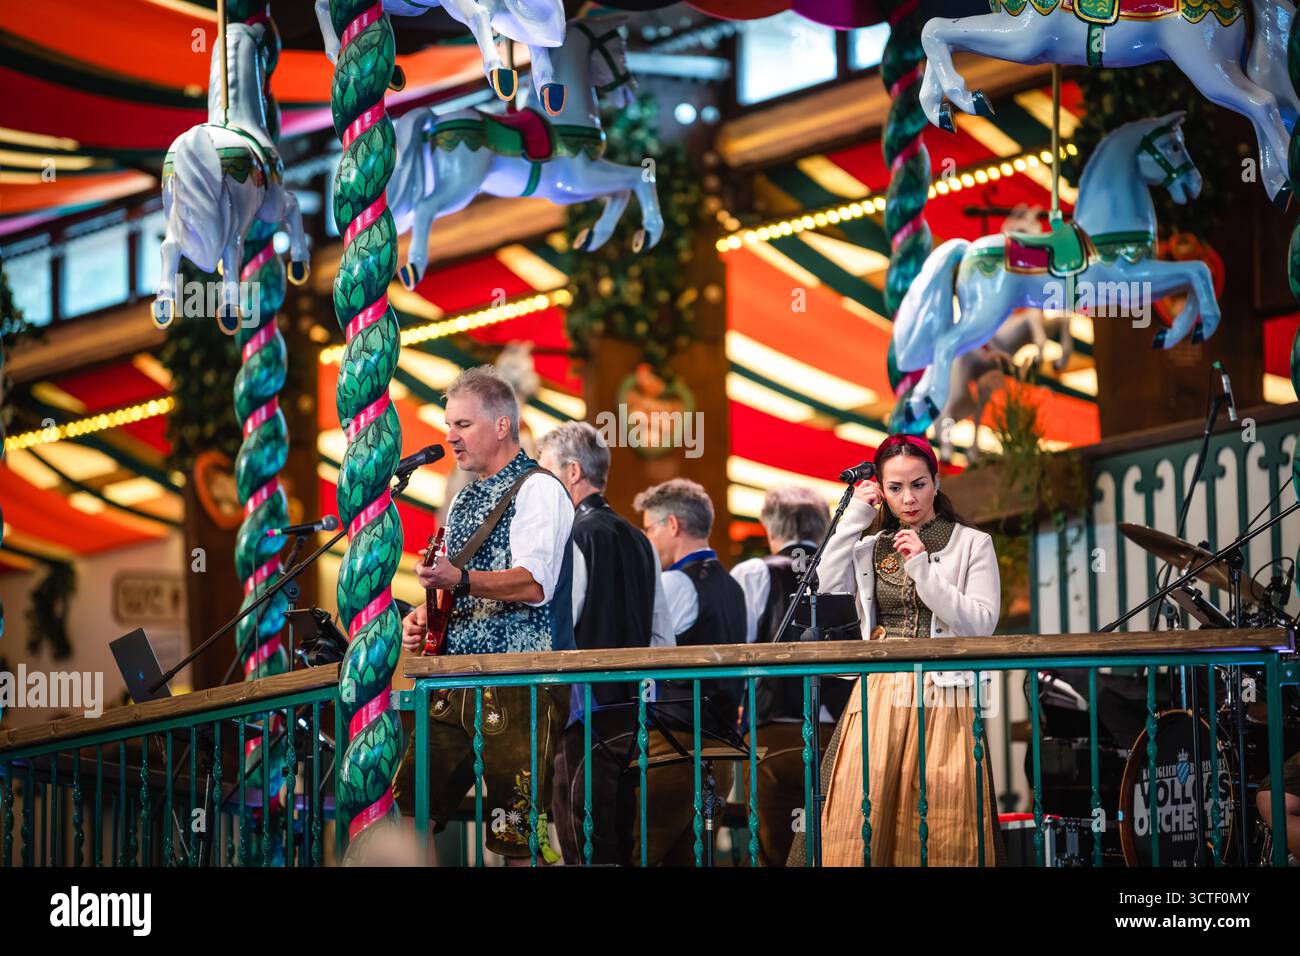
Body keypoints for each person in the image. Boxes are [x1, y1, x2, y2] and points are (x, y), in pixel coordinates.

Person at [392, 366, 574, 865]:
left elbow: (535, 583)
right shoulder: (463, 497)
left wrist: (459, 581)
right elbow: (454, 584)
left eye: (462, 425)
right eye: (449, 424)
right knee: (410, 811)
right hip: (453, 681)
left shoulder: (540, 488)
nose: (449, 436)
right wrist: (426, 619)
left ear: (501, 425)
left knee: (517, 833)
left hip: (517, 683)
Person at [798, 433, 1003, 867]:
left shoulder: (971, 543)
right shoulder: (871, 546)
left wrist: (922, 569)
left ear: (936, 481)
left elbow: (981, 623)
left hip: (943, 693)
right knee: (861, 808)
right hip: (879, 690)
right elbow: (828, 584)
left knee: (943, 817)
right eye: (895, 487)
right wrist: (855, 514)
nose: (908, 498)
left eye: (918, 484)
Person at [537, 421, 674, 866]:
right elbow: (661, 636)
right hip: (633, 715)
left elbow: (561, 625)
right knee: (622, 839)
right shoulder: (641, 539)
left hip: (582, 714)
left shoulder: (570, 535)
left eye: (546, 471)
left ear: (572, 473)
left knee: (582, 843)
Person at [730, 485, 848, 866]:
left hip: (771, 736)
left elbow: (731, 652)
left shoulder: (752, 573)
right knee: (840, 845)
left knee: (773, 848)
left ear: (769, 527)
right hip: (842, 736)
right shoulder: (846, 571)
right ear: (823, 527)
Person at [633, 477, 746, 865]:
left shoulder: (674, 582)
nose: (648, 539)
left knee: (640, 851)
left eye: (649, 528)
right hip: (722, 748)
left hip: (673, 745)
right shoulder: (732, 585)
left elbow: (644, 656)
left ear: (673, 526)